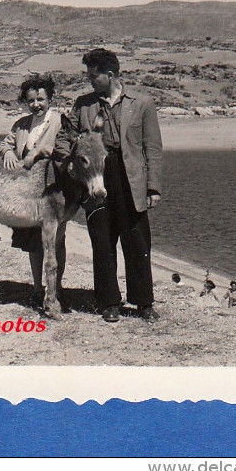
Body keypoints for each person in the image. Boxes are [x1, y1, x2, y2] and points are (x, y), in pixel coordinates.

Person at [62, 48, 164, 323]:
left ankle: (143, 303)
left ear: (110, 74)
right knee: (102, 240)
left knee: (137, 241)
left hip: (131, 181)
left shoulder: (142, 103)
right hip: (96, 177)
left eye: (93, 76)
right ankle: (108, 302)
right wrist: (69, 162)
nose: (89, 80)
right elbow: (63, 137)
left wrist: (153, 188)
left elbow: (152, 148)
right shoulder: (83, 105)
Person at [0, 74, 64, 299]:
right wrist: (7, 152)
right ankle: (37, 288)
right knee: (34, 243)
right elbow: (4, 143)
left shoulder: (59, 122)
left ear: (50, 99)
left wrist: (41, 152)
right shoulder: (22, 124)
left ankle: (55, 289)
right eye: (31, 100)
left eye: (41, 100)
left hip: (52, 189)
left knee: (54, 240)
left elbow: (66, 149)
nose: (36, 105)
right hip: (27, 191)